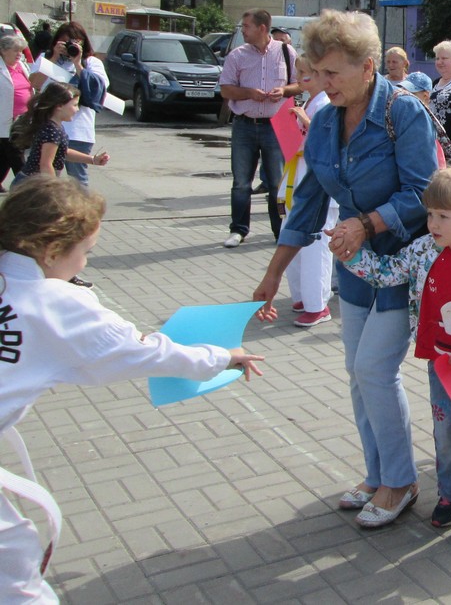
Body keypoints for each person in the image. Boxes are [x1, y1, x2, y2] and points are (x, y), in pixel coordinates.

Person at [0, 177, 263, 602]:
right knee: (15, 563)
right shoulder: (55, 301)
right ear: (51, 251)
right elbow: (143, 351)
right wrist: (219, 357)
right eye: (86, 252)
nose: (84, 264)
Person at [251, 10, 437, 529]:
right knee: (357, 373)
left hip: (403, 266)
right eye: (316, 71)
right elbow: (308, 204)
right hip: (355, 269)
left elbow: (425, 192)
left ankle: (401, 481)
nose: (321, 82)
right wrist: (273, 275)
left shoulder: (404, 112)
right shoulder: (326, 122)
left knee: (375, 369)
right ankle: (377, 475)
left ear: (368, 66)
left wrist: (368, 223)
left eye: (332, 72)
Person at [338, 169, 451, 544]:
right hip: (442, 365)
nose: (433, 224)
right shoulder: (424, 251)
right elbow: (387, 272)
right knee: (446, 436)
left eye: (443, 216)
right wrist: (350, 254)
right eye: (430, 215)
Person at [218, 10, 299, 248]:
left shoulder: (286, 52)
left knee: (276, 183)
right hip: (245, 125)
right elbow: (225, 89)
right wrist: (249, 93)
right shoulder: (237, 55)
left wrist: (283, 91)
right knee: (241, 182)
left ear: (262, 28)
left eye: (247, 26)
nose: (243, 30)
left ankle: (279, 231)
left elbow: (299, 84)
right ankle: (238, 230)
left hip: (276, 126)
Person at [280, 55, 338, 328]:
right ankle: (304, 295)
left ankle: (318, 304)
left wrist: (306, 121)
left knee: (316, 244)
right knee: (291, 235)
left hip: (319, 182)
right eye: (298, 72)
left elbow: (330, 140)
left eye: (304, 73)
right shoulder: (309, 102)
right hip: (299, 176)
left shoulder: (327, 104)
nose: (299, 78)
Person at [46, 21, 108, 187]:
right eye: (65, 42)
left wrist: (78, 63)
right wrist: (54, 57)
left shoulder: (92, 63)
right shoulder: (49, 59)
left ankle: (82, 206)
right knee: (48, 179)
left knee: (78, 180)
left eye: (74, 42)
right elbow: (35, 83)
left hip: (79, 131)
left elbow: (98, 89)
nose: (69, 46)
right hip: (51, 129)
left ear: (83, 42)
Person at [11, 82, 110, 184]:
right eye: (75, 105)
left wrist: (93, 159)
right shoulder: (52, 131)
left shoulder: (55, 126)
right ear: (59, 106)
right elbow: (46, 165)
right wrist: (54, 188)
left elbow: (63, 152)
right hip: (32, 185)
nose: (77, 109)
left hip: (34, 182)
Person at [0, 34, 33, 192]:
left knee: (5, 155)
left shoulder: (22, 66)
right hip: (6, 120)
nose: (19, 54)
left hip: (23, 119)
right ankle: (27, 188)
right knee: (16, 154)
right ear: (3, 51)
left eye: (21, 50)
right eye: (15, 50)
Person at [429, 40, 451, 149]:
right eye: (437, 58)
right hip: (433, 144)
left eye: (444, 58)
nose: (439, 62)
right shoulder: (435, 83)